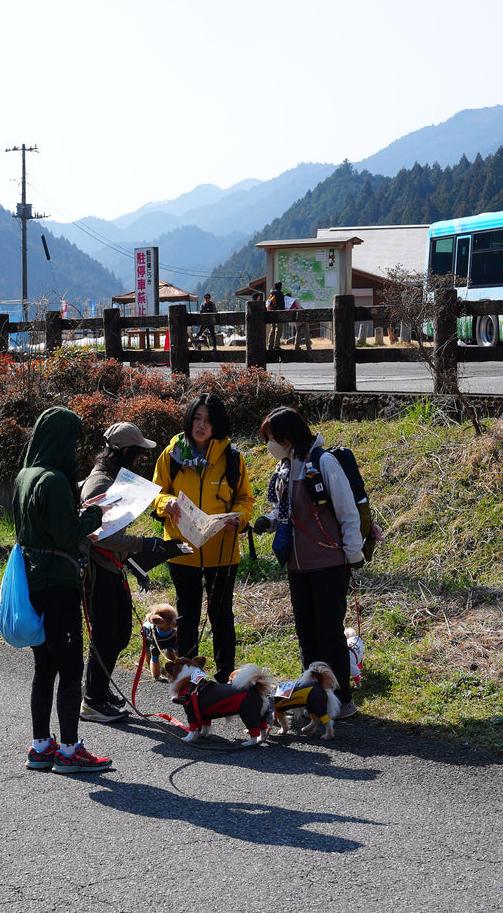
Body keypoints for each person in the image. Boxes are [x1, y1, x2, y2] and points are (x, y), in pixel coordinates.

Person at [13, 406, 113, 774]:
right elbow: (69, 536)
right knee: (71, 669)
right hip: (58, 583)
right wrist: (95, 514)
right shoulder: (54, 480)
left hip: (33, 581)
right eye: (73, 440)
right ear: (59, 439)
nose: (75, 448)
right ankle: (70, 751)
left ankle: (41, 746)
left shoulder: (26, 475)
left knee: (45, 666)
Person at [259, 405, 364, 717]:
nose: (269, 445)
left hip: (329, 563)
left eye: (272, 438)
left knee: (329, 632)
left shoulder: (324, 462)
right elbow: (283, 509)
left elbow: (347, 512)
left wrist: (353, 552)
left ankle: (342, 700)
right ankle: (315, 699)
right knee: (306, 632)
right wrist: (268, 520)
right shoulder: (283, 467)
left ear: (289, 437)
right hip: (297, 565)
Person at [151, 394, 255, 683]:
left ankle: (226, 678)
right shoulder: (171, 454)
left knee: (221, 615)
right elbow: (156, 493)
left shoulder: (232, 457)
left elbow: (246, 498)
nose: (201, 425)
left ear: (217, 424)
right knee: (186, 615)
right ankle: (187, 679)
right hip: (181, 548)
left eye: (208, 420)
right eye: (197, 418)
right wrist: (166, 503)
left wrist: (240, 518)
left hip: (221, 550)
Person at [78, 421, 172, 723]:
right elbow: (102, 536)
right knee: (105, 635)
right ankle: (92, 700)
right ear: (126, 452)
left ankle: (99, 690)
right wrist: (144, 545)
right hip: (97, 569)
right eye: (138, 454)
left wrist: (133, 563)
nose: (140, 460)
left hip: (113, 567)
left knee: (118, 634)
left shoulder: (113, 479)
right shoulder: (100, 484)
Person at [266, 282, 286, 349]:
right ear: (280, 286)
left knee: (272, 329)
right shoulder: (280, 293)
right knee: (279, 329)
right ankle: (276, 345)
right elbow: (281, 304)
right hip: (278, 313)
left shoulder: (272, 293)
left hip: (272, 313)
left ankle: (269, 345)